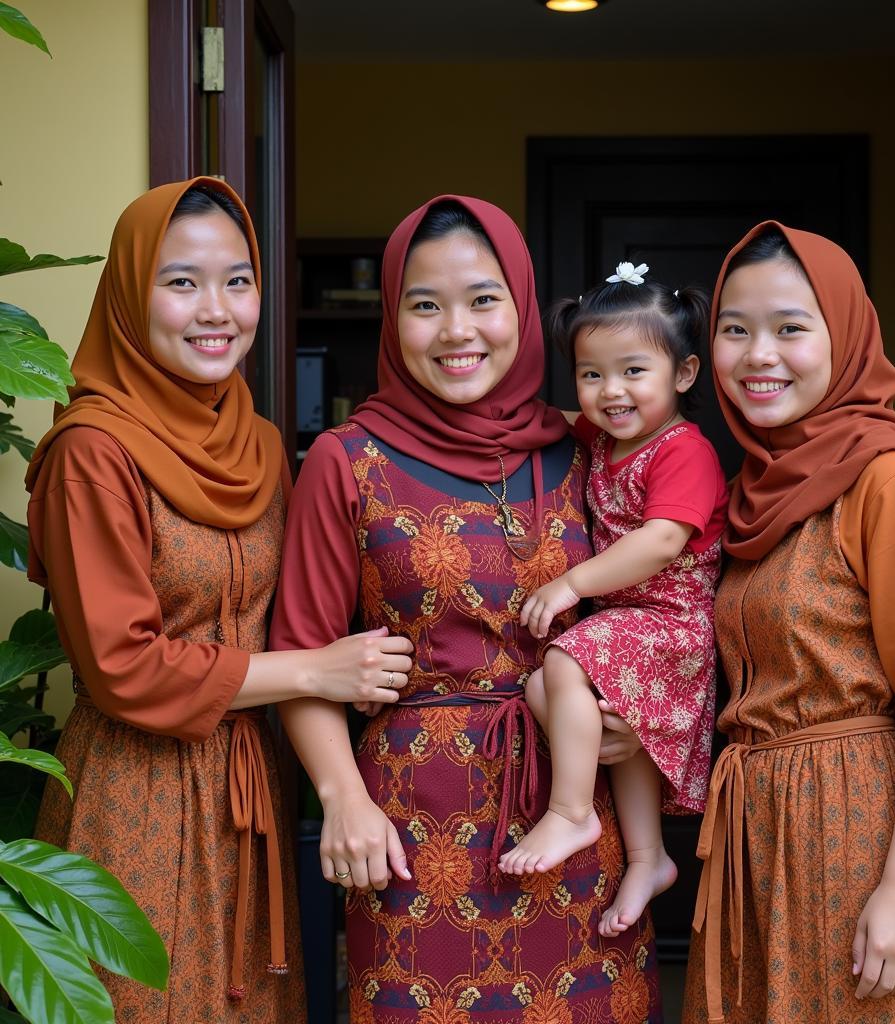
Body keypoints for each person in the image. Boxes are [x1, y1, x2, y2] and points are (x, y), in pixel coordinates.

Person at [25, 177, 413, 1021]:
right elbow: (124, 666)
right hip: (136, 794)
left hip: (251, 795)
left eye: (238, 281)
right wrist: (315, 670)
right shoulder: (92, 452)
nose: (217, 309)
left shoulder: (261, 442)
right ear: (131, 295)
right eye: (182, 281)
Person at [270, 196, 664, 1022]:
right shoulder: (343, 463)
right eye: (425, 305)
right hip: (413, 830)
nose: (457, 330)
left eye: (483, 300)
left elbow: (668, 595)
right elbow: (300, 652)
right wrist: (342, 796)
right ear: (393, 316)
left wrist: (641, 713)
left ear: (520, 306)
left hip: (574, 817)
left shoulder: (588, 443)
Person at [680, 222, 895, 1024]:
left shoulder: (887, 480)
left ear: (846, 334)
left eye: (791, 327)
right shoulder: (749, 491)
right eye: (734, 329)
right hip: (756, 844)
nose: (760, 354)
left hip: (858, 842)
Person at [497, 263, 728, 941]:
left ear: (684, 376)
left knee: (564, 663)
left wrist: (571, 585)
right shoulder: (605, 439)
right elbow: (554, 419)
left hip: (673, 623)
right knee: (551, 691)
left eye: (633, 372)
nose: (610, 391)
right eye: (592, 374)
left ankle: (571, 810)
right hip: (631, 625)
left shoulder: (684, 450)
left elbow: (660, 542)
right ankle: (649, 857)